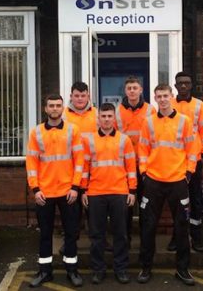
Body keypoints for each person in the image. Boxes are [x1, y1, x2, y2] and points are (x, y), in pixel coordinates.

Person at [137, 84, 198, 286]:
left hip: (178, 181)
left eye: (165, 95)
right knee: (148, 226)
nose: (162, 99)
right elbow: (143, 149)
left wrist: (189, 173)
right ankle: (146, 268)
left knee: (182, 227)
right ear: (154, 99)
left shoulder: (185, 121)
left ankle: (182, 270)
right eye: (158, 96)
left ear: (172, 97)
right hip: (153, 181)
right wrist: (144, 173)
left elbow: (192, 148)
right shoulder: (148, 122)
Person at [26, 94, 84, 288]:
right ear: (45, 108)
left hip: (68, 191)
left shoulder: (73, 130)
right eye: (51, 106)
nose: (54, 109)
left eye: (58, 106)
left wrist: (76, 187)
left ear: (62, 108)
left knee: (71, 232)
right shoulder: (36, 133)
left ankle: (72, 270)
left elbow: (79, 160)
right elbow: (31, 163)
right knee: (45, 234)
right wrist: (35, 189)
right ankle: (45, 271)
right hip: (45, 192)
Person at [81, 103, 137, 285]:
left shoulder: (124, 140)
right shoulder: (89, 141)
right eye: (103, 116)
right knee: (97, 235)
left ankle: (121, 269)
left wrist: (132, 190)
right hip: (96, 193)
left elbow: (131, 167)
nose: (106, 119)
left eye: (109, 116)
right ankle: (98, 270)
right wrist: (83, 190)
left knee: (120, 234)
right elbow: (84, 168)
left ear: (114, 118)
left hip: (119, 192)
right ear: (98, 119)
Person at [170, 71, 203, 253]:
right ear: (176, 86)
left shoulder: (199, 105)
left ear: (191, 85)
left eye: (187, 83)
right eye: (180, 83)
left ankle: (197, 237)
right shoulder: (168, 104)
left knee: (195, 200)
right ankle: (176, 237)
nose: (183, 86)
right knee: (177, 201)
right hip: (175, 160)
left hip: (195, 160)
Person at [114, 76, 156, 247]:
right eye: (129, 88)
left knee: (146, 205)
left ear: (141, 90)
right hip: (124, 166)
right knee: (126, 207)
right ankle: (126, 239)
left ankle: (146, 241)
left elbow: (155, 137)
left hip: (146, 166)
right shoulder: (117, 111)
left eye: (135, 87)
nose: (132, 91)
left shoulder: (150, 110)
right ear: (125, 91)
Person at [61, 81, 98, 251]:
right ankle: (70, 241)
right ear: (71, 96)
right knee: (72, 209)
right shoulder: (63, 116)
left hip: (93, 168)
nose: (80, 99)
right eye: (77, 95)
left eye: (83, 95)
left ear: (88, 96)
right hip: (71, 169)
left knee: (94, 208)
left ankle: (99, 241)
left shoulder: (98, 115)